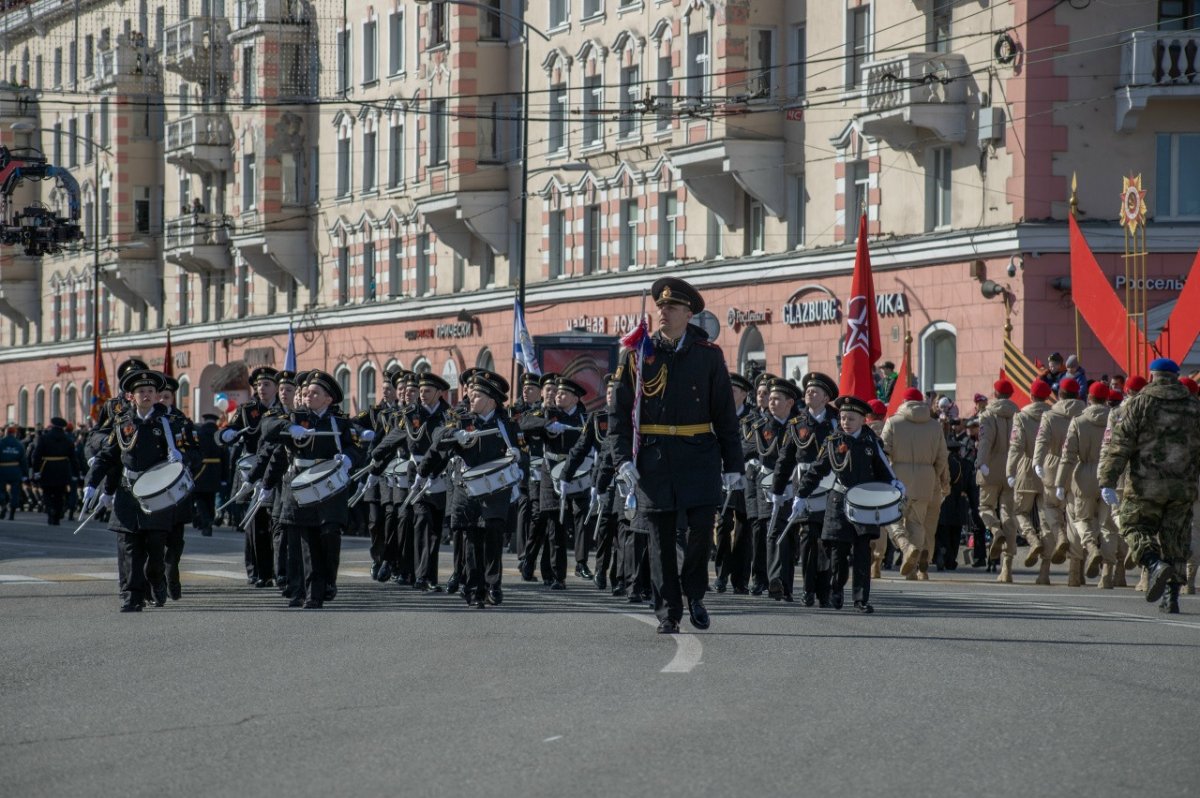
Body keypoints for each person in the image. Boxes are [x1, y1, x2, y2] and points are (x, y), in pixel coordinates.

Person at [610, 277, 742, 634]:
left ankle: (694, 592)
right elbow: (620, 414)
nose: (663, 312)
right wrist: (621, 458)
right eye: (660, 307)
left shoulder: (708, 355)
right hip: (654, 461)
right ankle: (668, 612)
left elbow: (724, 414)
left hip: (699, 457)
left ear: (688, 313)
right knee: (660, 540)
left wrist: (734, 465)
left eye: (671, 307)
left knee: (701, 531)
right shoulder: (639, 354)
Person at [84, 369, 195, 612]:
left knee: (156, 549)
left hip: (157, 494)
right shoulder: (122, 422)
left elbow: (193, 452)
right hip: (128, 491)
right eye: (141, 392)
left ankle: (156, 578)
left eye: (150, 391)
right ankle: (131, 596)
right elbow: (107, 456)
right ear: (132, 397)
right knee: (129, 547)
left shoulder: (171, 423)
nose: (146, 395)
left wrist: (182, 456)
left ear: (157, 396)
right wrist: (92, 483)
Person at [1098, 358, 1200, 614]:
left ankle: (1153, 563)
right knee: (1175, 537)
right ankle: (1172, 597)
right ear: (1176, 376)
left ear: (1153, 375)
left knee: (1133, 526)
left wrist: (1108, 480)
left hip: (1146, 485)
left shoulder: (1140, 402)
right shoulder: (1193, 405)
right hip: (1183, 486)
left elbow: (1121, 444)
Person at [416, 371, 525, 607]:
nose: (470, 399)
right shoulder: (461, 419)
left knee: (494, 534)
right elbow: (438, 435)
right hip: (467, 487)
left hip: (496, 489)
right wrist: (455, 433)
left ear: (491, 400)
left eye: (476, 396)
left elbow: (523, 453)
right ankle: (474, 589)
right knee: (472, 538)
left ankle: (493, 584)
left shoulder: (506, 424)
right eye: (471, 394)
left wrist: (517, 455)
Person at [792, 395, 903, 614]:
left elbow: (883, 468)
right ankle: (836, 589)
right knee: (838, 553)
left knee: (863, 551)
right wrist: (801, 495)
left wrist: (895, 483)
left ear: (863, 419)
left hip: (866, 503)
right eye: (842, 418)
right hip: (839, 501)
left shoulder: (871, 442)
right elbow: (817, 469)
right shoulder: (833, 441)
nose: (845, 422)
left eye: (851, 418)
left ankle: (861, 599)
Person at [261, 370, 363, 608]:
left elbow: (356, 449)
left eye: (314, 393)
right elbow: (267, 427)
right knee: (300, 542)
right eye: (305, 393)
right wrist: (288, 429)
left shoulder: (339, 422)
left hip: (329, 489)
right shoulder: (294, 417)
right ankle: (304, 593)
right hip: (299, 486)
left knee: (328, 538)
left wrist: (348, 458)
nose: (307, 396)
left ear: (328, 399)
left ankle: (326, 582)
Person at [772, 371, 838, 605]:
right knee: (808, 538)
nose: (809, 393)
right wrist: (777, 489)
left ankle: (826, 591)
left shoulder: (837, 422)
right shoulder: (797, 423)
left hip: (831, 486)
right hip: (805, 488)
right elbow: (786, 458)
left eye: (815, 391)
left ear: (826, 397)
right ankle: (808, 589)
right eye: (808, 389)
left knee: (827, 540)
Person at [1056, 381, 1120, 588]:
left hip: (1083, 476)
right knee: (1108, 525)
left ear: (1089, 399)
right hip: (1110, 475)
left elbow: (1068, 456)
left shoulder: (1079, 421)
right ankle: (1107, 575)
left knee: (1080, 520)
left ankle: (1085, 558)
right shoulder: (1115, 420)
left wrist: (1060, 482)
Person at [882, 387, 949, 581]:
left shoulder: (893, 422)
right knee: (917, 523)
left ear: (904, 401)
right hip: (926, 479)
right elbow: (942, 456)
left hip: (898, 478)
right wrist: (933, 475)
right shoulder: (934, 425)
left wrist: (886, 476)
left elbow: (884, 452)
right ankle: (913, 566)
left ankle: (905, 547)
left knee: (891, 516)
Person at [1034, 377, 1086, 585]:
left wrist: (1037, 462)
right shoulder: (1085, 414)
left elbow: (1042, 441)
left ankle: (1045, 571)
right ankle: (1075, 573)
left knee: (1049, 514)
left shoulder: (1050, 416)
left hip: (1053, 467)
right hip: (1079, 469)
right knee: (1076, 519)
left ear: (1060, 394)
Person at [1007, 379, 1054, 584]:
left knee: (1019, 512)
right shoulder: (1053, 415)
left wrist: (1010, 470)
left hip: (1026, 466)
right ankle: (1044, 571)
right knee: (1046, 520)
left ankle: (1032, 540)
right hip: (1048, 468)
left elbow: (1016, 446)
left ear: (1031, 395)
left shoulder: (1022, 416)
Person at [759, 377, 801, 601]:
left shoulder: (799, 427)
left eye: (777, 399)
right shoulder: (760, 424)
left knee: (790, 535)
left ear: (789, 402)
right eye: (770, 398)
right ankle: (775, 581)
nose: (771, 402)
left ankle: (787, 585)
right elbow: (750, 448)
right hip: (770, 487)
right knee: (774, 531)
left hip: (796, 486)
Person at [712, 372, 754, 594]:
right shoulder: (717, 415)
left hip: (744, 478)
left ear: (744, 395)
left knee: (743, 528)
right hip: (721, 476)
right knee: (723, 525)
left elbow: (753, 445)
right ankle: (721, 573)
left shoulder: (752, 419)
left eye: (734, 391)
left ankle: (740, 578)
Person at [975, 379, 1020, 574]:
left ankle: (995, 530)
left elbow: (986, 441)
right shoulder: (1019, 415)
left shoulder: (987, 415)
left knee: (985, 507)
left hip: (991, 468)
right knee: (1009, 514)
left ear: (994, 393)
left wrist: (980, 463)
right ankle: (1007, 567)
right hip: (1013, 470)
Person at [936, 438, 976, 570]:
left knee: (942, 533)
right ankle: (951, 560)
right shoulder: (966, 464)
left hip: (943, 501)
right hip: (959, 502)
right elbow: (971, 487)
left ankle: (942, 553)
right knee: (956, 534)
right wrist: (974, 505)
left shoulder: (940, 463)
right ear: (959, 450)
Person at [32, 417, 77, 526]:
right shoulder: (68, 439)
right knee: (59, 493)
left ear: (52, 425)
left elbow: (36, 456)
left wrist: (36, 471)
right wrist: (75, 472)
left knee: (47, 492)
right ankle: (56, 515)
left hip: (47, 468)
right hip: (62, 469)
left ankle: (50, 509)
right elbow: (73, 458)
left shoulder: (44, 438)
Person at [191, 413, 227, 537]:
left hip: (200, 470)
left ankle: (205, 521)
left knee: (200, 498)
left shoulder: (199, 434)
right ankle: (208, 521)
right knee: (210, 498)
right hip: (215, 470)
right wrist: (224, 477)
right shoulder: (220, 435)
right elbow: (225, 457)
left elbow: (193, 453)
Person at [1, 424, 29, 520]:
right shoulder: (19, 444)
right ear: (14, 434)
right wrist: (25, 474)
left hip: (2, 470)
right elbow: (23, 461)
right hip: (15, 470)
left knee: (1, 490)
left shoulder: (1, 443)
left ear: (6, 433)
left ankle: (3, 504)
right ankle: (12, 512)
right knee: (15, 492)